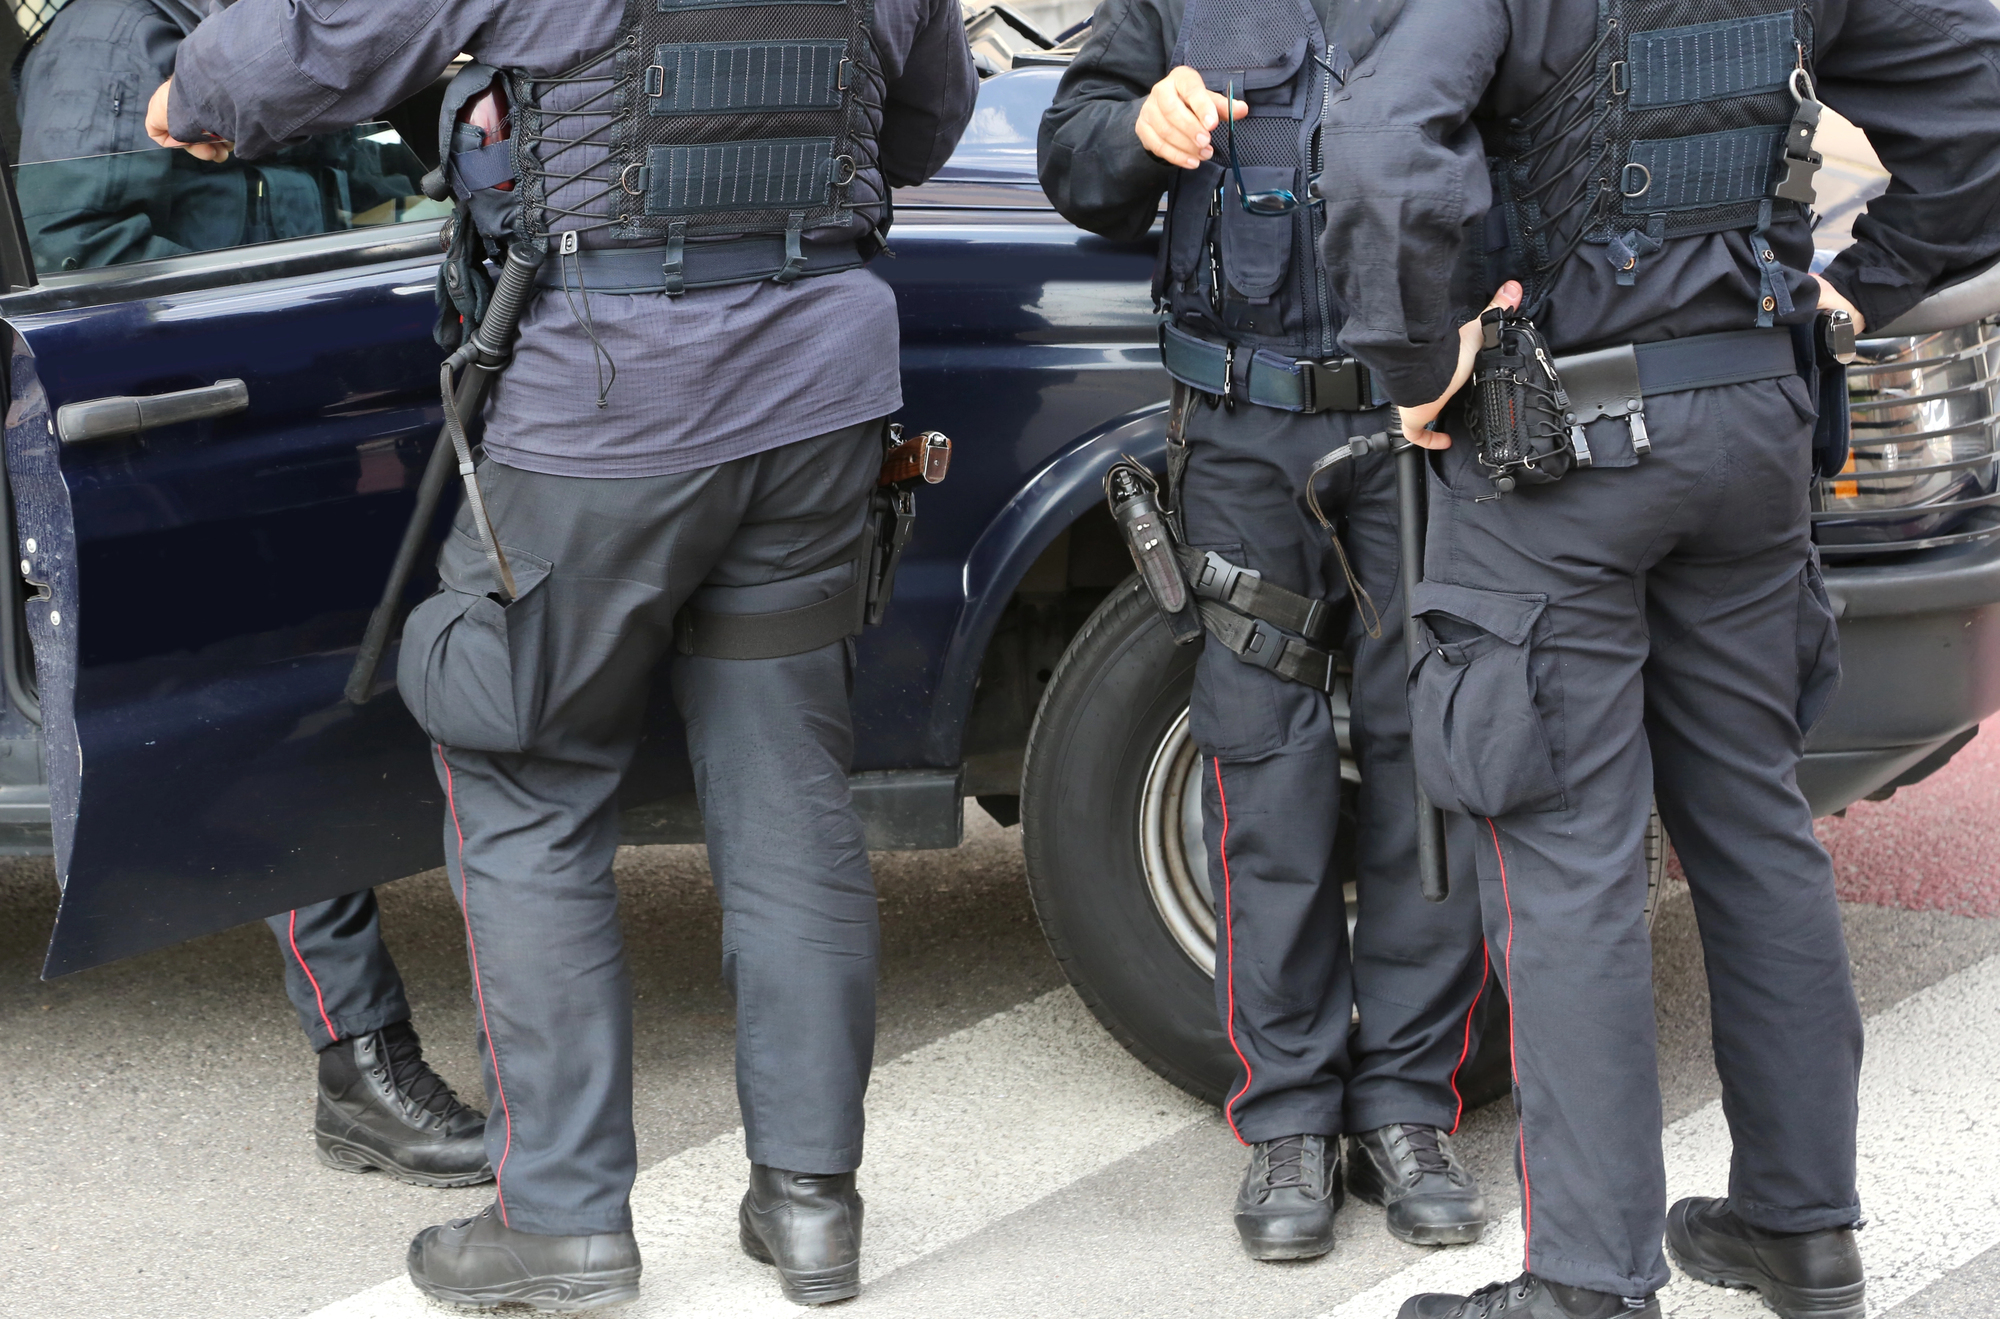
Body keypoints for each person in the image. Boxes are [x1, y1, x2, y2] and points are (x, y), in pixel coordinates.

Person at [145, 0, 976, 1309]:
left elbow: (287, 56)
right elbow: (926, 125)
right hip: (822, 391)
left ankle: (566, 1224)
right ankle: (814, 1205)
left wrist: (189, 96)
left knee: (523, 776)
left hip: (609, 402)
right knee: (787, 795)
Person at [1311, 0, 2000, 1315]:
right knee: (1752, 816)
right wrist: (1871, 281)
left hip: (1557, 442)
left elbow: (1384, 152)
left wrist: (1414, 362)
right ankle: (1802, 1226)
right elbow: (1979, 105)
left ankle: (1587, 1281)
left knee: (1567, 857)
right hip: (1751, 421)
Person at [1040, 0, 1494, 1262]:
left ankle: (1406, 1107)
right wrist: (1139, 126)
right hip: (1241, 437)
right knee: (1263, 768)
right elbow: (1074, 158)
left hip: (1424, 431)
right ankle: (1289, 1115)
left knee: (1429, 766)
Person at [13, 0, 491, 1192]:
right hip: (183, 423)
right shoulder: (112, 45)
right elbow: (77, 254)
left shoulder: (267, 27)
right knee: (284, 731)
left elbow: (341, 188)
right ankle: (360, 1064)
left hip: (302, 406)